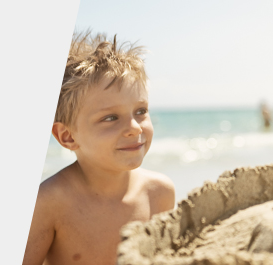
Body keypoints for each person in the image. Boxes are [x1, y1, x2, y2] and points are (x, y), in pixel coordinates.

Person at [23, 32, 175, 265]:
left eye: (141, 111)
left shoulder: (159, 193)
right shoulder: (49, 203)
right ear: (67, 136)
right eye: (111, 117)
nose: (134, 128)